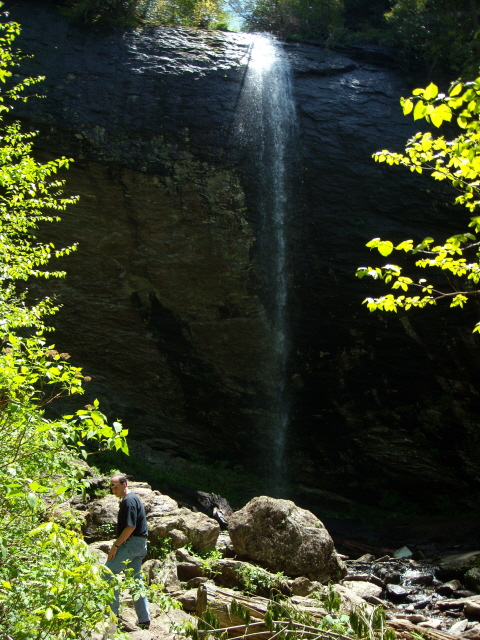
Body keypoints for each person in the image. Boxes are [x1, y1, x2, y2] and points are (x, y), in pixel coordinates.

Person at [105, 474, 150, 630]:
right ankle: (144, 620)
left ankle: (111, 615)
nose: (113, 489)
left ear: (124, 484)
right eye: (111, 486)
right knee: (136, 580)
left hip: (131, 544)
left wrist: (115, 546)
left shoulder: (129, 501)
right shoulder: (132, 499)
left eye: (115, 486)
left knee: (107, 573)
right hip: (140, 545)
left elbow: (130, 527)